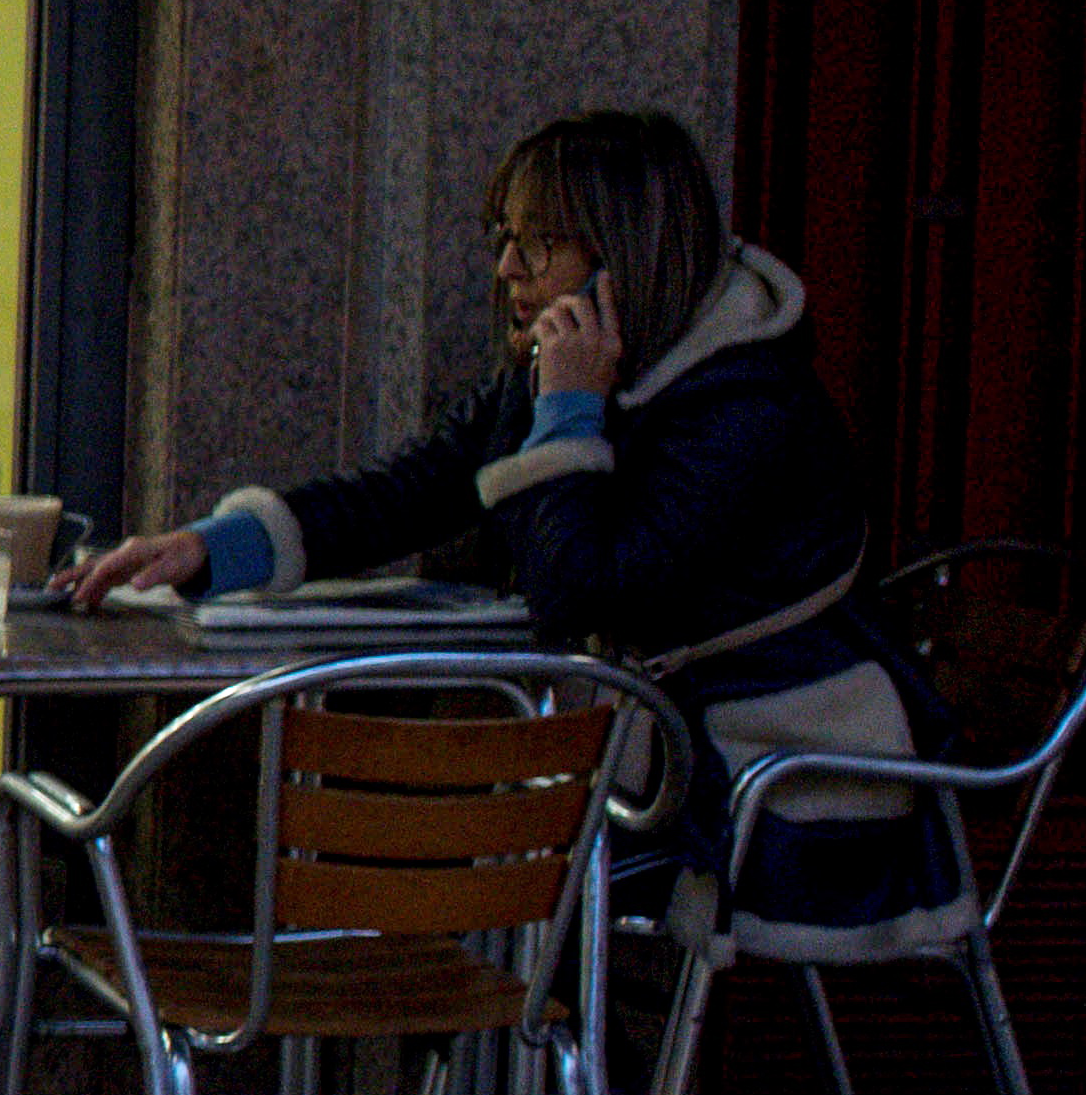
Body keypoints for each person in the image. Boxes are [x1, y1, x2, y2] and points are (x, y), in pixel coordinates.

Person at [63, 105, 934, 936]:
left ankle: (539, 1082)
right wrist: (206, 549)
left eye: (538, 242)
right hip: (650, 774)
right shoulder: (571, 365)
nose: (506, 269)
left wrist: (566, 413)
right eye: (502, 239)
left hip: (776, 796)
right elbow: (413, 488)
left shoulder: (745, 406)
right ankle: (516, 1078)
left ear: (623, 257)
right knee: (447, 866)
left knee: (467, 880)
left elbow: (575, 590)